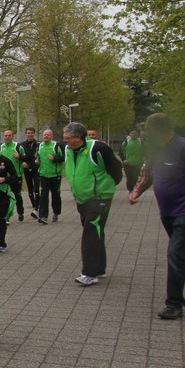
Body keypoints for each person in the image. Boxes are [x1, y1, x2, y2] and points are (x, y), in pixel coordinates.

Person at [129, 113, 185, 320]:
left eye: (149, 131)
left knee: (175, 254)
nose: (146, 135)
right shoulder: (155, 149)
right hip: (167, 211)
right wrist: (136, 191)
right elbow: (147, 173)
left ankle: (174, 304)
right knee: (184, 252)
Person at [64, 122, 123, 286]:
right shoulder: (68, 150)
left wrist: (105, 188)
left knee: (90, 231)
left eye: (68, 138)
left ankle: (89, 273)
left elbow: (116, 169)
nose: (65, 141)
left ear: (78, 137)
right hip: (82, 199)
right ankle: (100, 268)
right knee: (96, 232)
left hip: (99, 198)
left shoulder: (98, 149)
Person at [35, 128, 64, 224]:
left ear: (52, 136)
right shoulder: (40, 145)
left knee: (55, 195)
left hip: (55, 174)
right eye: (44, 135)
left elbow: (64, 157)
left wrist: (55, 158)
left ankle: (56, 212)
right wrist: (37, 160)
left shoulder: (57, 145)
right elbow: (38, 156)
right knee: (43, 195)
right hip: (43, 174)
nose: (46, 136)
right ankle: (43, 216)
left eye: (48, 135)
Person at [0, 129, 25, 220]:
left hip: (16, 176)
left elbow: (25, 158)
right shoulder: (1, 147)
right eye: (5, 136)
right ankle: (6, 216)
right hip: (5, 177)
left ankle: (20, 212)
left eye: (9, 135)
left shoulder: (18, 146)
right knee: (5, 197)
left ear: (12, 136)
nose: (7, 137)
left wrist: (20, 157)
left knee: (17, 195)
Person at [19, 127, 41, 217]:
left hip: (36, 170)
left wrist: (39, 161)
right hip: (27, 170)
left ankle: (36, 209)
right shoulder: (22, 145)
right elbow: (19, 156)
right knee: (30, 190)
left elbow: (41, 155)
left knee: (36, 189)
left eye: (31, 133)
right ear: (26, 134)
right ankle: (34, 206)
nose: (30, 134)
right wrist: (22, 162)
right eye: (28, 133)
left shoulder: (39, 144)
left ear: (34, 133)